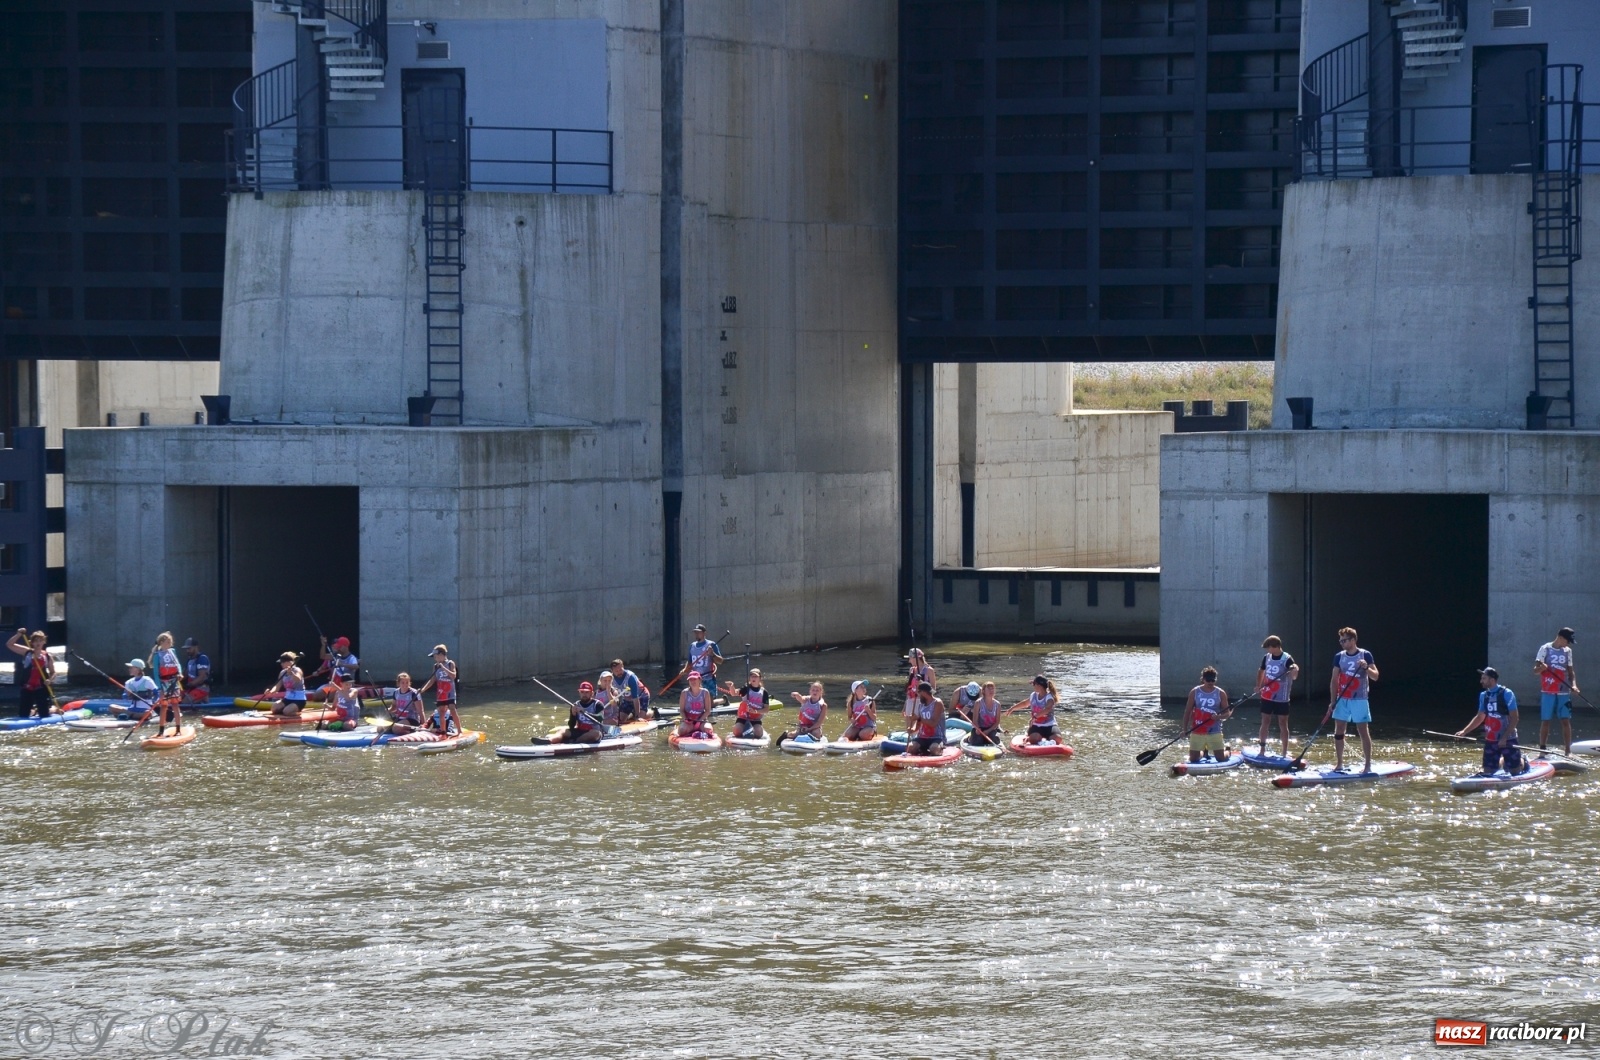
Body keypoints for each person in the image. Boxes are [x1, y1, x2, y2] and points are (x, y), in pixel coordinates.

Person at [1323, 627, 1378, 774]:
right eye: (1340, 641)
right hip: (1343, 699)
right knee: (1339, 729)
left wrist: (1366, 668)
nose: (1342, 643)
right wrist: (1332, 701)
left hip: (1359, 699)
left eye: (1345, 640)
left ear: (1353, 640)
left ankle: (1367, 765)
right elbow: (1334, 680)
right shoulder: (1339, 657)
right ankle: (1339, 763)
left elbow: (1375, 676)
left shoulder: (1365, 654)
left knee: (1362, 730)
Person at [1455, 667, 1523, 776]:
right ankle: (1502, 761)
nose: (1481, 681)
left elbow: (1515, 718)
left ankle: (1522, 761)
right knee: (1488, 772)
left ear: (1492, 680)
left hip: (1508, 739)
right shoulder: (1484, 696)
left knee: (1515, 771)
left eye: (1484, 678)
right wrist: (1465, 731)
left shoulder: (1507, 693)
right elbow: (1480, 717)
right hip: (1491, 739)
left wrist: (1504, 737)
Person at [1534, 627, 1578, 756]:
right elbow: (1535, 671)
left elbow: (1571, 672)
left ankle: (1568, 751)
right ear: (1560, 638)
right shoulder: (1545, 649)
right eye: (1567, 641)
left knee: (1565, 720)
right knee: (1546, 720)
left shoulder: (1568, 651)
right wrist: (1542, 668)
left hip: (1563, 691)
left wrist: (1574, 685)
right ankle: (1542, 749)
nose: (1568, 644)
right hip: (1548, 691)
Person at [1255, 635, 1299, 757]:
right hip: (1267, 695)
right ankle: (1262, 750)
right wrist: (1258, 685)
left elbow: (1294, 674)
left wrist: (1294, 669)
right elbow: (1261, 671)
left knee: (1283, 723)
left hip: (1282, 697)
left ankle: (1284, 752)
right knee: (1265, 721)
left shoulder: (1287, 658)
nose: (1267, 650)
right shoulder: (1267, 657)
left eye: (1268, 648)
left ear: (1275, 647)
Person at [1182, 668, 1232, 762]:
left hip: (1214, 729)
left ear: (1215, 680)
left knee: (1220, 759)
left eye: (1212, 680)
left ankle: (1228, 751)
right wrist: (1184, 730)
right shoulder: (1195, 692)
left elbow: (1227, 714)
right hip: (1197, 728)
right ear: (1203, 679)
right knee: (1193, 759)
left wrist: (1219, 717)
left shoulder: (1220, 693)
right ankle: (1203, 752)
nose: (1210, 682)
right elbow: (1187, 712)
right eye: (1208, 680)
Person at [6, 628, 55, 719]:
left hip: (41, 687)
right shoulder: (27, 652)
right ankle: (33, 711)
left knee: (44, 714)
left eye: (40, 640)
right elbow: (9, 644)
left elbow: (53, 672)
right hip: (27, 687)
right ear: (32, 643)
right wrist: (19, 634)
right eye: (36, 641)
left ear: (44, 642)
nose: (38, 643)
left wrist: (49, 680)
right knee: (23, 714)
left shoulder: (47, 656)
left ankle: (49, 710)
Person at [1016, 674, 1067, 748]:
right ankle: (1037, 740)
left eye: (1034, 684)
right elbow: (1024, 703)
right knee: (1034, 738)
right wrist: (1011, 709)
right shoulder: (1033, 695)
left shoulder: (1049, 697)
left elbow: (1047, 709)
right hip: (1037, 725)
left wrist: (1035, 716)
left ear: (1039, 685)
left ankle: (1048, 741)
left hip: (1050, 725)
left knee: (1057, 738)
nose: (1033, 686)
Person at [720, 668, 771, 740]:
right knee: (737, 732)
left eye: (755, 676)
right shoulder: (745, 688)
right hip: (743, 717)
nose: (753, 678)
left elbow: (766, 709)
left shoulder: (764, 692)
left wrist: (756, 711)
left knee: (758, 733)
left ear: (760, 678)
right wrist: (731, 686)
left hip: (755, 719)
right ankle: (741, 728)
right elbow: (734, 693)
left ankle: (756, 729)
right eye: (752, 676)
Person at [149, 632, 183, 736]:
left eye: (170, 642)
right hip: (163, 684)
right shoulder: (157, 656)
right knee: (164, 707)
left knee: (175, 705)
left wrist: (180, 673)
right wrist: (160, 688)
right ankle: (161, 730)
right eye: (168, 642)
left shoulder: (173, 651)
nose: (170, 643)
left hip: (174, 682)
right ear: (161, 642)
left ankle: (178, 730)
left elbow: (178, 664)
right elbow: (156, 673)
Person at [419, 644, 458, 726]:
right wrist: (422, 690)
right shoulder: (435, 666)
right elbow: (432, 680)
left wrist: (443, 668)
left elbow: (453, 676)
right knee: (441, 712)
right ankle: (442, 731)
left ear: (441, 655)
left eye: (435, 656)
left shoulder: (451, 663)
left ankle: (459, 730)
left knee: (452, 709)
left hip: (450, 692)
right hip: (441, 693)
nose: (434, 658)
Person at [680, 625, 723, 691]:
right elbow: (690, 662)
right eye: (695, 632)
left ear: (704, 633)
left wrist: (712, 654)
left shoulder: (711, 645)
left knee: (709, 700)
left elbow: (720, 661)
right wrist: (684, 670)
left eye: (698, 632)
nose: (696, 634)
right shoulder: (692, 646)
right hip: (695, 679)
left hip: (708, 679)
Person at [907, 681, 945, 755]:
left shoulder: (937, 703)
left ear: (924, 692)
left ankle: (939, 748)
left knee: (933, 749)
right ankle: (922, 750)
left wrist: (918, 718)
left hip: (936, 737)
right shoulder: (921, 705)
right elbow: (919, 724)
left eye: (919, 692)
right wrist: (912, 730)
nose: (918, 695)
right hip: (922, 737)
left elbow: (933, 724)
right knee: (911, 748)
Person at [264, 652, 307, 717]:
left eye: (282, 662)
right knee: (274, 708)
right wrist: (271, 691)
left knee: (287, 712)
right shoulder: (282, 672)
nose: (281, 664)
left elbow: (298, 679)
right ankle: (286, 710)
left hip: (299, 700)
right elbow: (277, 686)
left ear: (288, 662)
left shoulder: (297, 670)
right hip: (287, 699)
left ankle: (296, 713)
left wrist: (291, 673)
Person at [903, 648, 936, 730]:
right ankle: (910, 739)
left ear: (916, 659)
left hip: (922, 701)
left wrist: (923, 684)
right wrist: (905, 705)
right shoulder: (912, 670)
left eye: (910, 658)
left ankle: (919, 738)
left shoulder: (929, 670)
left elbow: (934, 690)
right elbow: (909, 689)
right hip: (911, 700)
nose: (909, 661)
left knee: (919, 726)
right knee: (909, 727)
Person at [676, 671, 714, 738]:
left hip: (701, 720)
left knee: (708, 730)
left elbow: (708, 711)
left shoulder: (705, 692)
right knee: (682, 730)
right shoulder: (684, 693)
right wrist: (685, 719)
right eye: (691, 679)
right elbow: (681, 710)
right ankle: (689, 730)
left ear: (699, 680)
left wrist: (700, 720)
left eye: (694, 679)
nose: (692, 681)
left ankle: (700, 732)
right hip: (689, 720)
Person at [968, 681, 1003, 747]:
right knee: (978, 741)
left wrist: (988, 731)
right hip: (979, 728)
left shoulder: (997, 704)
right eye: (989, 689)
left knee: (995, 740)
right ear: (983, 691)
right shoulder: (978, 703)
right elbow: (975, 721)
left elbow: (997, 722)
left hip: (991, 728)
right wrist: (978, 729)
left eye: (992, 689)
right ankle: (969, 739)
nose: (991, 690)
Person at [180, 637, 211, 704]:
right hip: (191, 688)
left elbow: (202, 677)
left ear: (196, 647)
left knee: (184, 703)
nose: (187, 651)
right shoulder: (190, 660)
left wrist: (189, 685)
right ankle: (201, 699)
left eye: (189, 648)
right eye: (186, 649)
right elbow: (184, 675)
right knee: (176, 698)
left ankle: (203, 697)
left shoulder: (202, 659)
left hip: (202, 688)